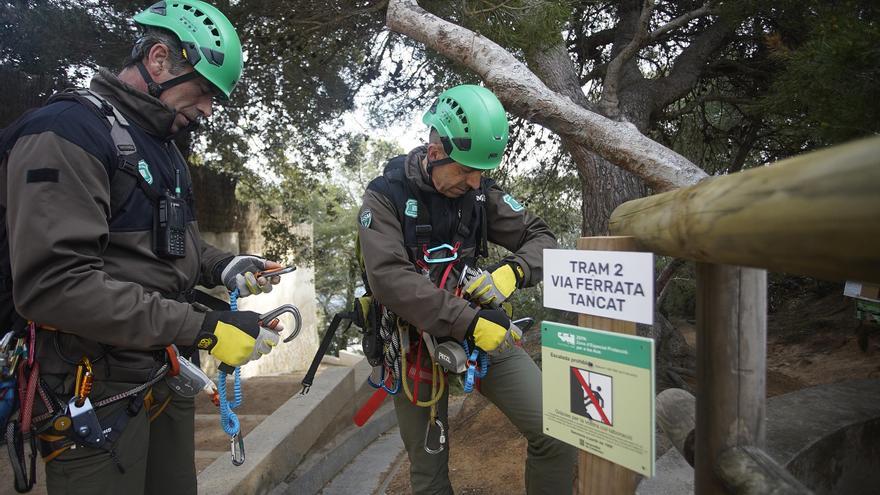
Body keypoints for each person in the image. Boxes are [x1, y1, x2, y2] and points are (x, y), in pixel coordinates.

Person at [0, 1, 283, 493]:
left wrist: (224, 267)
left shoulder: (164, 149)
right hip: (94, 386)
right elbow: (55, 286)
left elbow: (169, 245)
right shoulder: (68, 133)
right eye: (202, 91)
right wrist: (206, 326)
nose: (207, 111)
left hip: (162, 370)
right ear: (158, 59)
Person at [357, 84, 576, 494]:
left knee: (556, 431)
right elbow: (389, 279)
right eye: (465, 171)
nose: (475, 183)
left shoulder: (478, 195)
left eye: (481, 172)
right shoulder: (384, 198)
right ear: (435, 151)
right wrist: (470, 321)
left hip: (481, 333)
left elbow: (542, 237)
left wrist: (512, 272)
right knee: (429, 476)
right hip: (414, 345)